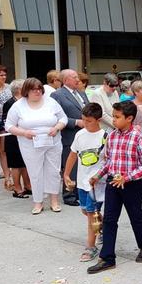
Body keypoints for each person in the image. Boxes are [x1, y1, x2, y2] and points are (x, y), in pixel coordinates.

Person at [87, 101, 142, 274]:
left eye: (117, 117)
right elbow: (109, 162)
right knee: (109, 220)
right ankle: (107, 258)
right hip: (112, 183)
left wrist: (127, 177)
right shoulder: (112, 136)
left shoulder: (139, 137)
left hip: (131, 184)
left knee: (136, 217)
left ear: (129, 118)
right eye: (113, 116)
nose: (114, 120)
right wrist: (97, 175)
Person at [5, 78, 68, 214]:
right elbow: (9, 126)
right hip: (30, 144)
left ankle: (54, 200)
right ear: (26, 91)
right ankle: (38, 202)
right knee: (35, 172)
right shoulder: (18, 106)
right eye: (34, 89)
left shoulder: (51, 102)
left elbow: (63, 118)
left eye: (39, 88)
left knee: (53, 171)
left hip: (52, 141)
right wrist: (23, 132)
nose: (38, 91)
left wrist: (57, 127)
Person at [63, 103, 106, 262]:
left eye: (89, 121)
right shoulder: (80, 135)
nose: (85, 123)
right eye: (83, 120)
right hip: (81, 182)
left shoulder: (105, 136)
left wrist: (100, 177)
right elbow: (73, 155)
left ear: (98, 120)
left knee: (91, 214)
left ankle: (91, 247)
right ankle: (100, 227)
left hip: (96, 184)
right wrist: (66, 174)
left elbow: (108, 161)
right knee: (86, 211)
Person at [51, 69, 89, 206]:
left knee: (82, 164)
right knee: (70, 166)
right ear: (66, 80)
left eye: (77, 76)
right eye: (74, 77)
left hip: (84, 134)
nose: (78, 79)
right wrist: (75, 122)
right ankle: (69, 194)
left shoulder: (81, 93)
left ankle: (80, 191)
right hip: (69, 134)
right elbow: (55, 117)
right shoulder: (57, 95)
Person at [3, 79, 31, 198]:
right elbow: (7, 123)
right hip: (13, 137)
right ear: (20, 89)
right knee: (16, 164)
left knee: (25, 163)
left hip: (24, 136)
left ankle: (27, 185)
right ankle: (17, 188)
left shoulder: (25, 102)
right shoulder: (10, 103)